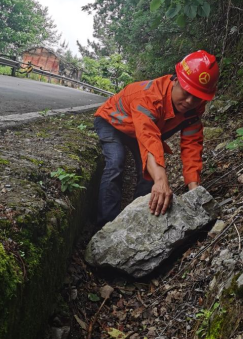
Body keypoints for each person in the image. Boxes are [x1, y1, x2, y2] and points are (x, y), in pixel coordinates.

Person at [93, 50, 219, 227]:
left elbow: (192, 148)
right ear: (176, 80)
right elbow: (148, 138)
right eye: (187, 91)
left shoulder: (193, 111)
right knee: (115, 162)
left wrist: (194, 189)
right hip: (112, 122)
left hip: (137, 132)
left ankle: (137, 222)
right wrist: (162, 180)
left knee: (149, 177)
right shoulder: (149, 96)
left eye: (197, 97)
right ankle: (106, 226)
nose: (190, 101)